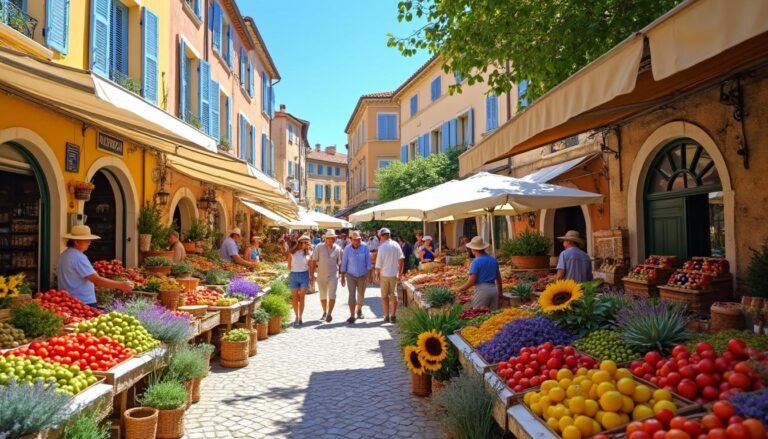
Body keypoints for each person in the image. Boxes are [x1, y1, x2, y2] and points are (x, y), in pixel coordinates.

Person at [58, 225, 133, 307]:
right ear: (76, 242)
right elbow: (96, 279)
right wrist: (120, 285)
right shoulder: (79, 257)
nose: (89, 243)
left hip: (69, 300)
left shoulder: (64, 254)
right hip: (83, 301)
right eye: (86, 241)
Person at [455, 236, 503, 310]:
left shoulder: (476, 262)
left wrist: (459, 289)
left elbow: (471, 282)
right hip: (494, 290)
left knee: (479, 315)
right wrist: (500, 293)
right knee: (493, 316)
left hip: (482, 291)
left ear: (473, 249)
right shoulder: (493, 259)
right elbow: (499, 279)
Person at [309, 230, 342, 323]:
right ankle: (324, 311)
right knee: (323, 295)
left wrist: (342, 275)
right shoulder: (319, 247)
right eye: (330, 238)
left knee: (332, 295)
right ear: (326, 239)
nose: (332, 240)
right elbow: (313, 261)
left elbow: (340, 263)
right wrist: (311, 275)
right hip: (321, 274)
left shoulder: (338, 248)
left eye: (333, 238)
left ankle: (329, 314)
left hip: (333, 275)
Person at [374, 228, 405, 323]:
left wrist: (377, 275)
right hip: (393, 274)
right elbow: (401, 259)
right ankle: (393, 315)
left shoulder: (382, 247)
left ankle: (386, 315)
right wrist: (399, 273)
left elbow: (378, 264)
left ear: (382, 236)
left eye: (380, 237)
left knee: (384, 296)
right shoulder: (396, 245)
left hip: (384, 274)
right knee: (394, 295)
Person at [341, 231, 371, 324]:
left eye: (358, 240)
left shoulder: (365, 247)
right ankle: (352, 315)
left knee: (361, 295)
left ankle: (359, 310)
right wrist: (342, 277)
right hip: (351, 275)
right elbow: (344, 263)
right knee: (351, 295)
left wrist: (369, 276)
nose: (357, 242)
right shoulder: (347, 249)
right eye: (355, 240)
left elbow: (368, 262)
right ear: (351, 240)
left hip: (362, 275)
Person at [287, 234, 312, 327]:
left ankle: (300, 317)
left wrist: (311, 276)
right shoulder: (292, 253)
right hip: (294, 275)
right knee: (294, 297)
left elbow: (310, 265)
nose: (307, 244)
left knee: (302, 297)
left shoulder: (308, 253)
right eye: (306, 243)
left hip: (304, 275)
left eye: (308, 243)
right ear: (300, 243)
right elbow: (289, 266)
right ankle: (296, 316)